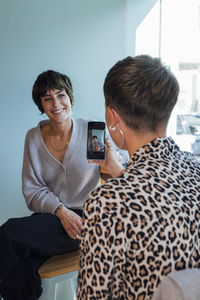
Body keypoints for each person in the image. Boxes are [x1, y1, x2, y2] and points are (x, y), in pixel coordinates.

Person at [77, 55, 200, 300]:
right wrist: (117, 171)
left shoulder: (105, 202)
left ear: (113, 117)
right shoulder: (195, 169)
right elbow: (155, 197)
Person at [0, 70, 125, 300]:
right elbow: (31, 191)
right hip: (52, 218)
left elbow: (120, 177)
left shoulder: (91, 129)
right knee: (21, 264)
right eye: (47, 98)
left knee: (7, 235)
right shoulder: (33, 137)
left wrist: (111, 164)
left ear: (70, 97)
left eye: (61, 95)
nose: (56, 103)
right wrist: (60, 211)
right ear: (40, 103)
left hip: (86, 221)